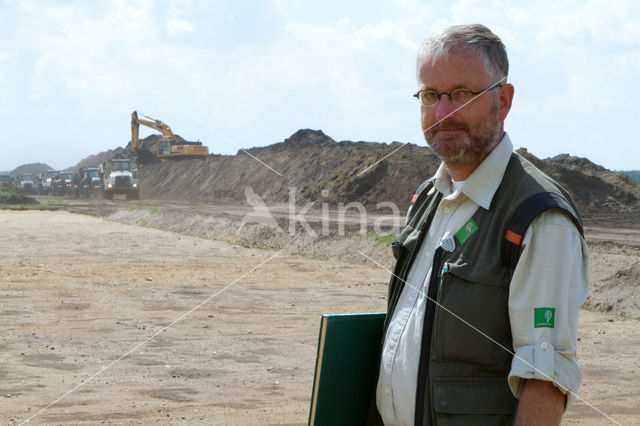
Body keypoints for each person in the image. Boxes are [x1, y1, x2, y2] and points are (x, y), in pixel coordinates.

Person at [372, 24, 589, 426]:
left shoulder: (539, 218)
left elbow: (545, 376)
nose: (443, 113)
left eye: (461, 94)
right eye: (431, 95)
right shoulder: (428, 198)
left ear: (502, 101)